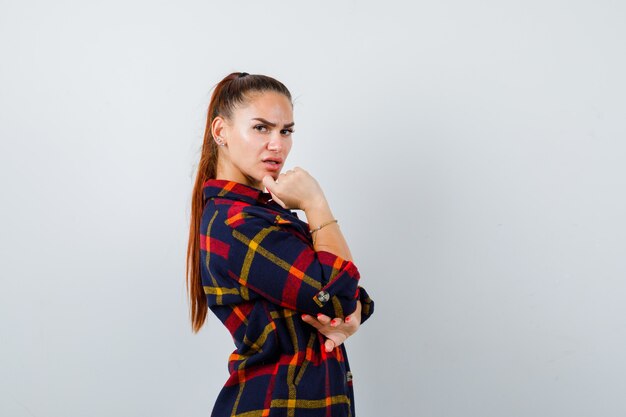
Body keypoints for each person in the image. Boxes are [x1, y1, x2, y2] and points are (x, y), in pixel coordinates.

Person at [186, 71, 374, 417]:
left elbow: (341, 291)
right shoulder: (236, 224)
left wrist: (355, 310)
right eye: (261, 128)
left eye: (286, 131)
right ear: (220, 132)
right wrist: (316, 203)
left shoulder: (264, 214)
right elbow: (334, 292)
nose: (278, 144)